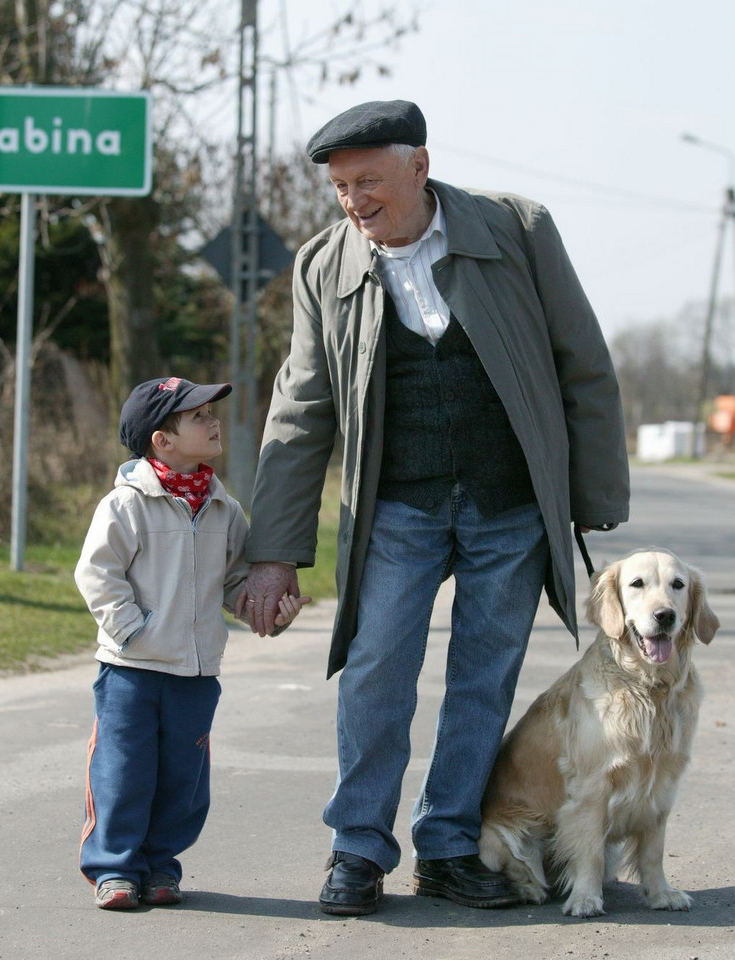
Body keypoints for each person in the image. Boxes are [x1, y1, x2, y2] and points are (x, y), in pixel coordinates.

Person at [236, 100, 629, 916]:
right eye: (342, 187)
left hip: (510, 502)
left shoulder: (516, 230)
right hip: (396, 509)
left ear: (420, 167)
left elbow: (580, 362)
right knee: (375, 672)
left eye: (370, 181)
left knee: (483, 681)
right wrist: (274, 553)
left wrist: (588, 498)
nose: (355, 201)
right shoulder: (323, 266)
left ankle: (449, 844)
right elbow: (300, 412)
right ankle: (358, 848)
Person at [75, 376, 308, 910]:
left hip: (198, 673)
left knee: (183, 778)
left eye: (212, 413)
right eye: (199, 416)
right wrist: (135, 630)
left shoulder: (225, 509)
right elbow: (97, 575)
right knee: (123, 770)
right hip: (131, 670)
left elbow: (233, 585)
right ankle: (115, 869)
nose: (214, 422)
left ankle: (160, 867)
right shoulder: (126, 505)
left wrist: (271, 611)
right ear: (163, 440)